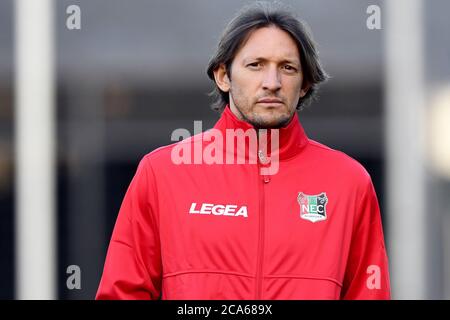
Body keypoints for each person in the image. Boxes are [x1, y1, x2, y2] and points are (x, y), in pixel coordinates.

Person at [96, 1, 391, 300]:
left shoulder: (349, 182)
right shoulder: (162, 173)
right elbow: (122, 293)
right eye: (256, 65)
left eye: (287, 68)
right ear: (223, 76)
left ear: (304, 84)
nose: (272, 83)